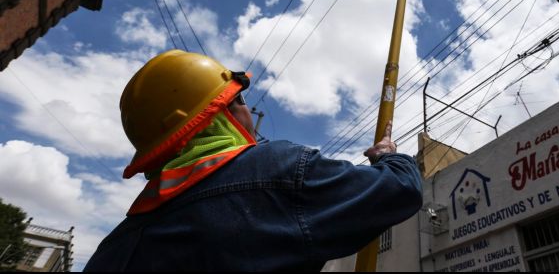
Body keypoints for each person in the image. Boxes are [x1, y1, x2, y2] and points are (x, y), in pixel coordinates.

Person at [84, 50, 422, 271]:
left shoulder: (111, 249)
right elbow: (400, 190)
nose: (247, 108)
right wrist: (388, 158)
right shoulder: (278, 172)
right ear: (222, 115)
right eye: (239, 99)